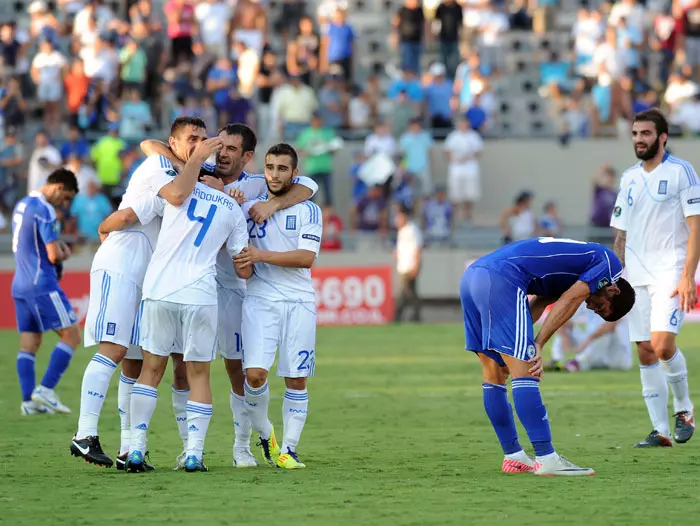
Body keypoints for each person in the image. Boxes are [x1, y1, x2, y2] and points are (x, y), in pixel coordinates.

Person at [141, 123, 319, 469]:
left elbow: (308, 186)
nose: (221, 153)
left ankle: (242, 447)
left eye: (231, 149)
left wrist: (272, 205)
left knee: (239, 371)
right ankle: (189, 448)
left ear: (248, 157)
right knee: (181, 367)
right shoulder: (197, 171)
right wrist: (187, 165)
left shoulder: (256, 184)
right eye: (218, 145)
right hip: (193, 285)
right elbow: (150, 145)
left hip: (237, 289)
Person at [70, 117, 219, 469]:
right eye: (191, 138)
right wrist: (105, 226)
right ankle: (85, 433)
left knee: (135, 362)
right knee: (115, 348)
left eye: (202, 137)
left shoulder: (181, 168)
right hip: (123, 261)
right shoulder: (159, 166)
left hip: (148, 275)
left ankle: (127, 450)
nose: (198, 143)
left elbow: (157, 148)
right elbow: (139, 211)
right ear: (174, 143)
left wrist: (195, 165)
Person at [97, 153, 250, 473]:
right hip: (201, 294)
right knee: (198, 374)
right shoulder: (232, 208)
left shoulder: (174, 193)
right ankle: (193, 453)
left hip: (160, 290)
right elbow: (241, 265)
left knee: (150, 370)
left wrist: (104, 228)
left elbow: (128, 215)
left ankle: (136, 449)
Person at [460, 237, 635, 476]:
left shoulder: (576, 271)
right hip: (502, 279)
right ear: (613, 289)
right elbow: (570, 299)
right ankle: (546, 457)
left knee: (495, 372)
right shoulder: (609, 263)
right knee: (526, 370)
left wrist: (515, 344)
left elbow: (541, 303)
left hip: (474, 276)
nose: (592, 307)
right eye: (601, 306)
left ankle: (514, 456)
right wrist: (537, 345)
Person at [611, 108, 700, 447]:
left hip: (670, 271)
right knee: (645, 350)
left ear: (662, 137)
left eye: (645, 134)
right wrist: (615, 278)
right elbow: (620, 232)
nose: (639, 140)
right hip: (635, 277)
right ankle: (660, 431)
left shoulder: (682, 172)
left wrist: (688, 275)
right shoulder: (629, 177)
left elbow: (696, 228)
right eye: (635, 134)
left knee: (663, 346)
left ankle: (684, 409)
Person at [233, 143, 323, 470]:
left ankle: (289, 449)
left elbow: (306, 258)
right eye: (270, 167)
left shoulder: (309, 210)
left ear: (294, 173)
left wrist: (260, 255)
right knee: (254, 375)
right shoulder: (247, 207)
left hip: (299, 302)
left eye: (282, 168)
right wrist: (243, 261)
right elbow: (240, 260)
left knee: (296, 379)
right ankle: (267, 434)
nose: (274, 174)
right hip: (259, 299)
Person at [12, 168, 81, 415]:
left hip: (19, 282)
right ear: (59, 187)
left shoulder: (23, 204)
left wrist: (56, 244)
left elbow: (32, 243)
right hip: (41, 282)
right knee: (72, 335)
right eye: (66, 198)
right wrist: (63, 251)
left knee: (30, 342)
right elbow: (52, 254)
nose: (64, 204)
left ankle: (28, 403)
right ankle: (46, 389)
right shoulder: (46, 210)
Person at [394, 205, 423, 322]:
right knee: (410, 292)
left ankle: (398, 315)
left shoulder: (412, 229)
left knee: (405, 292)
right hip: (403, 265)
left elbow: (417, 248)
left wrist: (416, 265)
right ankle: (415, 315)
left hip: (409, 265)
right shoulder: (401, 231)